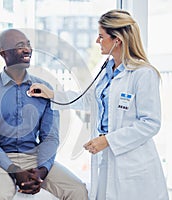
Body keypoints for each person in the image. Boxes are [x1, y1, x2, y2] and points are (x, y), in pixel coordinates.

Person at [28, 9, 169, 200]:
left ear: (117, 40)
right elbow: (89, 100)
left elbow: (150, 123)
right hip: (105, 158)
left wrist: (108, 140)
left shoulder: (143, 74)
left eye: (101, 36)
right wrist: (51, 94)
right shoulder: (106, 71)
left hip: (133, 162)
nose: (97, 41)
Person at [0, 29, 88, 200]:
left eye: (28, 44)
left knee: (77, 189)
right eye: (20, 46)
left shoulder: (44, 88)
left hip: (32, 158)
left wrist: (42, 170)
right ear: (3, 52)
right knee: (0, 194)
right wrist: (14, 171)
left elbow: (50, 137)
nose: (27, 49)